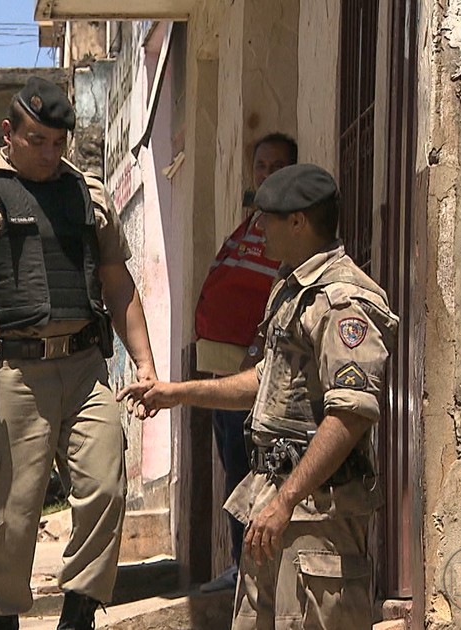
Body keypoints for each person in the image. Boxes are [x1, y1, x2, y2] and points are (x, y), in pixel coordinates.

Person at [0, 76, 158, 630]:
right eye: (37, 140)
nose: (49, 153)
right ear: (9, 132)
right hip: (15, 369)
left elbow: (119, 286)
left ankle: (79, 613)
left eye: (58, 142)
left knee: (106, 486)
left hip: (87, 366)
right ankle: (6, 618)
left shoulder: (89, 194)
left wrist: (146, 365)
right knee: (12, 512)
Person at [119, 164, 398, 629]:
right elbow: (267, 379)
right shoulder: (293, 290)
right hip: (275, 501)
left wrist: (287, 499)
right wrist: (177, 393)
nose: (257, 228)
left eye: (266, 218)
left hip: (318, 517)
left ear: (298, 222)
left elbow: (350, 414)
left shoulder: (343, 300)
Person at [193, 132, 296, 592]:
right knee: (232, 468)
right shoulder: (252, 224)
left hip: (252, 378)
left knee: (248, 471)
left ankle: (248, 568)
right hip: (224, 375)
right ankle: (240, 564)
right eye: (260, 166)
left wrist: (257, 350)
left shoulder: (286, 229)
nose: (267, 174)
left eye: (277, 166)